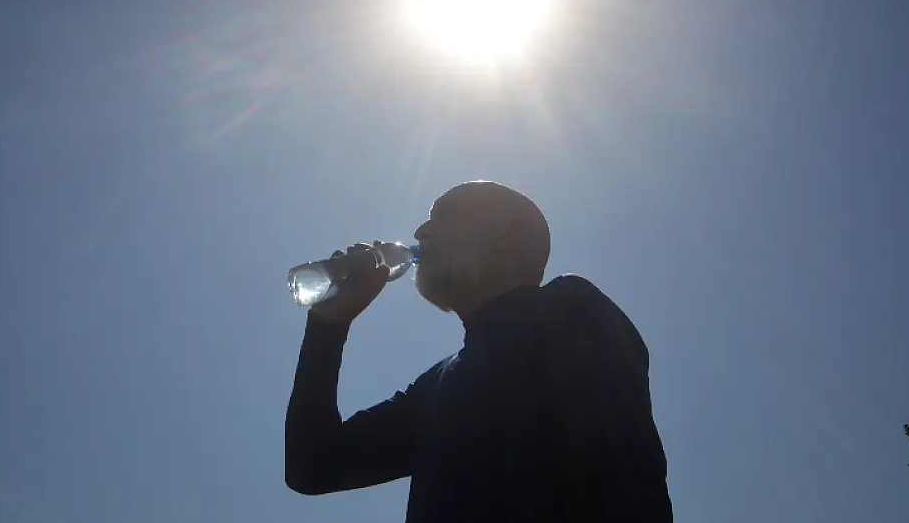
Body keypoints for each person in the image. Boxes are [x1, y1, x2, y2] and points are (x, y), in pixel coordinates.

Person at [285, 181, 673, 523]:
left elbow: (622, 479)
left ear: (506, 233)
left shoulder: (571, 308)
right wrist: (328, 324)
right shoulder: (437, 386)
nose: (420, 231)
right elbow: (313, 466)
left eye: (444, 215)